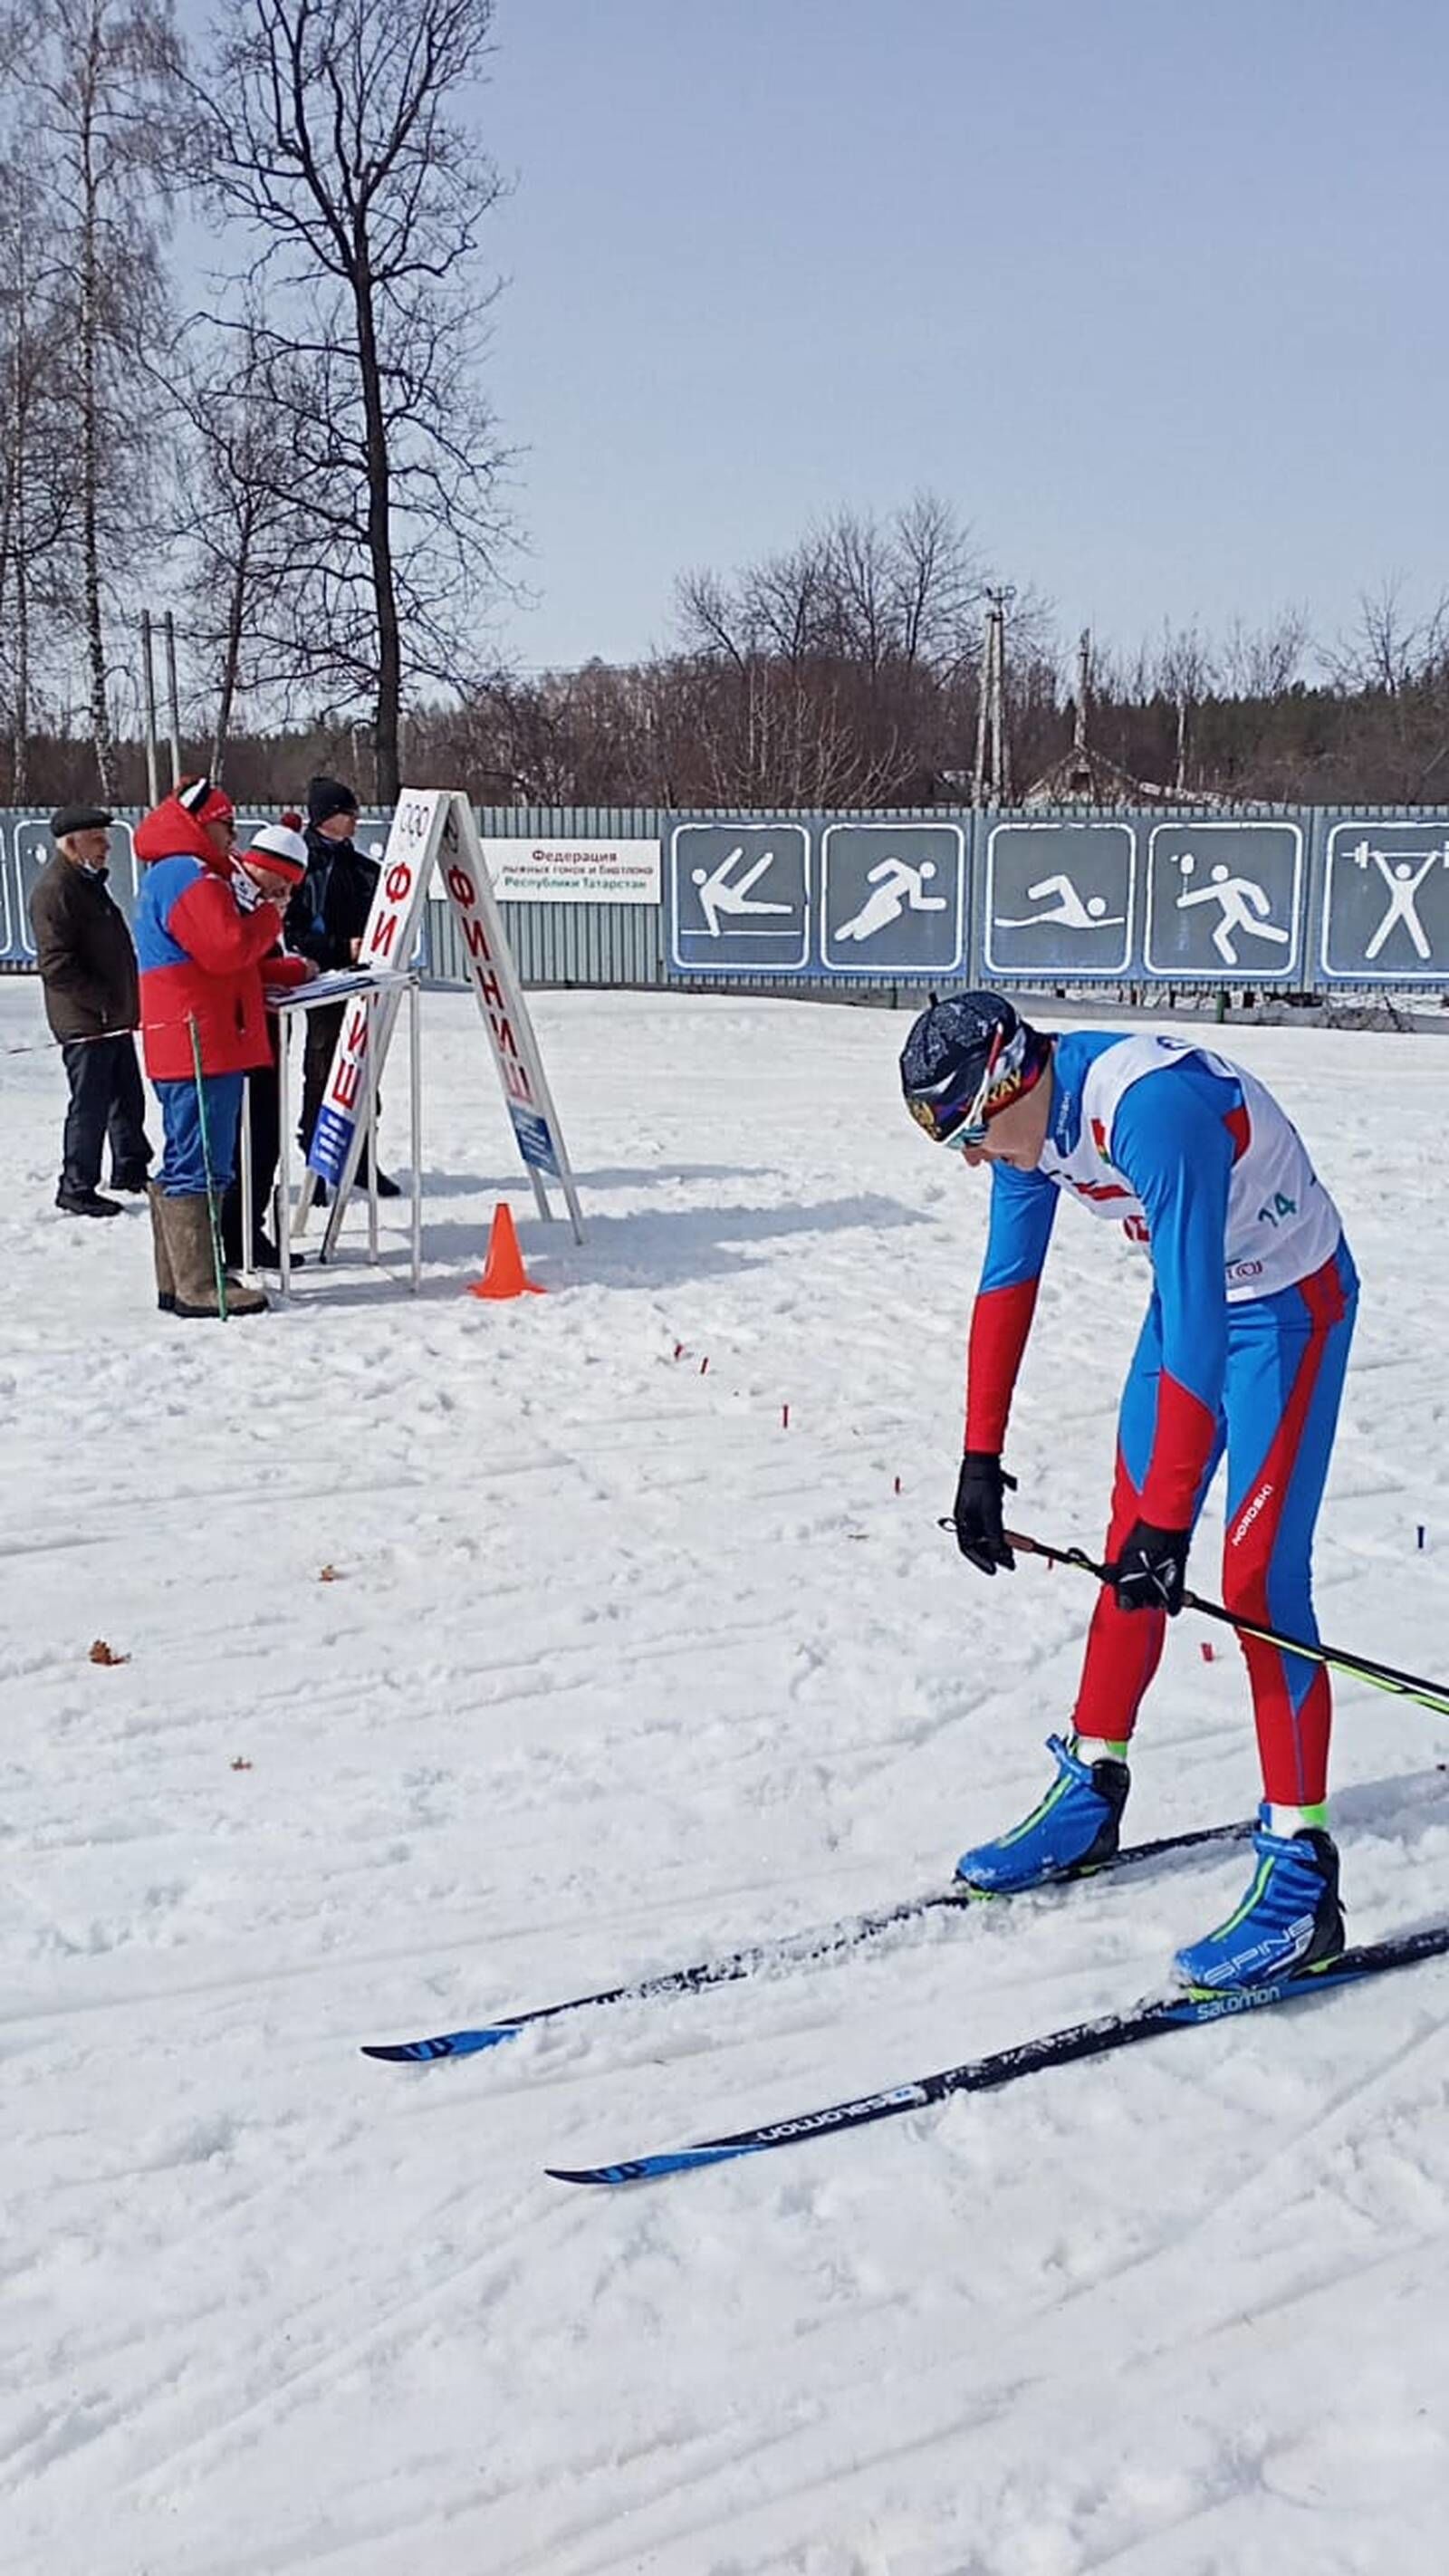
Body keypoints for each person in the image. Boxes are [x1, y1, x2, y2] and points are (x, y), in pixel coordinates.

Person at [900, 991, 1358, 1994]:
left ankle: (1300, 1886)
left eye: (972, 1135)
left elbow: (1200, 1317)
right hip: (1192, 1315)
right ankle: (1091, 1787)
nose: (976, 1160)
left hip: (1286, 1314)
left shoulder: (1147, 1110)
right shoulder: (1032, 1128)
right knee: (1124, 1554)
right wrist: (979, 1457)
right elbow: (1005, 1281)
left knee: (1257, 1581)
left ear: (1012, 1081)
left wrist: (1171, 1522)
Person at [133, 779, 313, 1318]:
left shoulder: (178, 873)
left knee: (188, 1157)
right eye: (226, 823)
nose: (233, 835)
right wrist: (269, 916)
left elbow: (225, 959)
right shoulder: (190, 874)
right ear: (201, 823)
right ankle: (200, 1284)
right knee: (203, 1162)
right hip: (201, 1039)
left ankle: (181, 1278)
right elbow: (228, 948)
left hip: (192, 1035)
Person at [29, 803, 152, 1216]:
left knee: (127, 1097)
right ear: (72, 843)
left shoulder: (86, 882)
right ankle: (76, 1185)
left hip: (111, 1017)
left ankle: (131, 1167)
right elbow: (56, 965)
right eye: (98, 840)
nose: (106, 848)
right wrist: (102, 1000)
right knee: (91, 1103)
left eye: (107, 839)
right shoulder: (56, 891)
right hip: (87, 1020)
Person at [286, 774, 398, 1197]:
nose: (355, 820)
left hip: (361, 982)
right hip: (322, 984)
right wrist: (339, 948)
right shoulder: (303, 866)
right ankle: (318, 1162)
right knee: (322, 1073)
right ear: (327, 819)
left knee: (364, 1068)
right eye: (348, 813)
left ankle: (361, 1157)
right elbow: (292, 930)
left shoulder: (356, 866)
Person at [221, 816, 312, 1272]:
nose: (287, 898)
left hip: (262, 1032)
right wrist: (292, 972)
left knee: (264, 1138)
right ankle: (238, 1235)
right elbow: (237, 965)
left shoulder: (253, 898)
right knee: (251, 1139)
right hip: (242, 1037)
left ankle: (247, 1230)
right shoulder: (235, 898)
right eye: (284, 886)